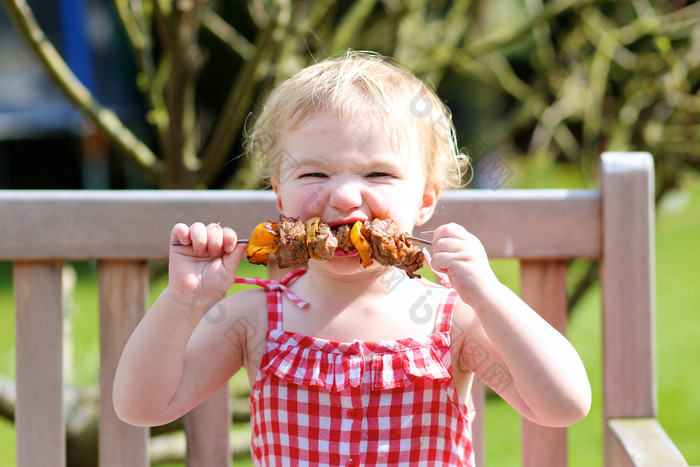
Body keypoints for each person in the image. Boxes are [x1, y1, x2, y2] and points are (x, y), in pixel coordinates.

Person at [113, 51, 591, 466]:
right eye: (315, 172)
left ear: (425, 200)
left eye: (378, 173)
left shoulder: (454, 320)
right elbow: (142, 406)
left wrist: (488, 293)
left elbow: (563, 405)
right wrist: (183, 302)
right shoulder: (254, 317)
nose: (343, 197)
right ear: (280, 196)